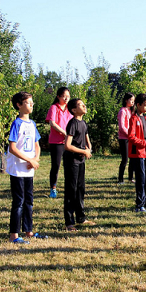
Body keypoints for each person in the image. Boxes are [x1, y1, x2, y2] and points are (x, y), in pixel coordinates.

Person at [7, 91, 47, 244]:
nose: (32, 104)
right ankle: (14, 235)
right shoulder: (17, 124)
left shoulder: (32, 124)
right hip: (18, 169)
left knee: (29, 200)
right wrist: (28, 159)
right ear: (19, 105)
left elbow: (37, 145)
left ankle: (28, 231)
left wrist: (35, 159)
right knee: (19, 201)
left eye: (32, 102)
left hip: (29, 169)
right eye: (28, 102)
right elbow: (12, 147)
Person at [63, 98, 95, 231]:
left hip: (81, 161)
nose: (84, 106)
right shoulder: (72, 123)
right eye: (81, 105)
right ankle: (69, 222)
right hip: (72, 161)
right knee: (71, 190)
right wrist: (83, 151)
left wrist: (89, 149)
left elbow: (88, 141)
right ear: (74, 110)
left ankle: (81, 218)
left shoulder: (83, 123)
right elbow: (67, 145)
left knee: (81, 188)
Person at [46, 87, 73, 198]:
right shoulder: (54, 108)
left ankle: (69, 187)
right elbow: (52, 123)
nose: (66, 98)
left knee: (70, 165)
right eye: (63, 96)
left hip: (68, 141)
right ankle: (53, 188)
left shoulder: (69, 109)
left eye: (68, 96)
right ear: (58, 97)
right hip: (56, 141)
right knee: (56, 165)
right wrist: (65, 133)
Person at [118, 92, 135, 183]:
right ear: (126, 100)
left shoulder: (131, 112)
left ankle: (130, 178)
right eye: (131, 100)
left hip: (131, 138)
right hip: (124, 138)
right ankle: (120, 179)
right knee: (125, 159)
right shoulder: (122, 111)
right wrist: (129, 135)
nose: (132, 102)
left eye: (133, 101)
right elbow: (122, 126)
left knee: (132, 158)